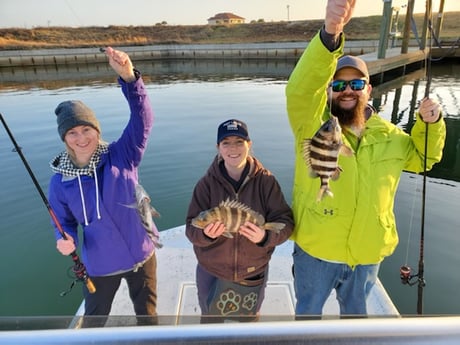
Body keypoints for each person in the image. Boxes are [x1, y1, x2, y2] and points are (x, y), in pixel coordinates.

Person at [285, 0, 446, 318]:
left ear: (368, 90)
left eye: (356, 84)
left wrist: (431, 123)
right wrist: (331, 34)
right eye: (339, 85)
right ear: (328, 90)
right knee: (307, 317)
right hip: (316, 249)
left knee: (356, 321)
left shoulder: (392, 137)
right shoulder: (311, 123)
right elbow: (300, 91)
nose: (347, 91)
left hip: (368, 254)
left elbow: (424, 158)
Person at [48, 47, 158, 327]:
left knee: (148, 318)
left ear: (97, 130)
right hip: (99, 266)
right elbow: (63, 222)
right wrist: (65, 239)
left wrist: (130, 79)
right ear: (65, 138)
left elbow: (142, 120)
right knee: (94, 322)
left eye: (87, 129)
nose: (81, 138)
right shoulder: (60, 181)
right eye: (72, 132)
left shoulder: (122, 155)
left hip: (142, 256)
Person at [185, 119, 294, 322]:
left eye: (239, 141)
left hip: (253, 271)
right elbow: (191, 229)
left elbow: (286, 222)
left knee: (248, 322)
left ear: (249, 145)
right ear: (218, 147)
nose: (233, 148)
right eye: (226, 142)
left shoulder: (267, 181)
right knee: (210, 320)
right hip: (212, 270)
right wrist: (205, 235)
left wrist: (265, 236)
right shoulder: (205, 185)